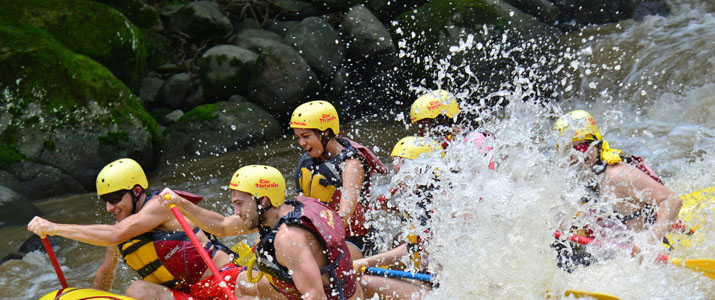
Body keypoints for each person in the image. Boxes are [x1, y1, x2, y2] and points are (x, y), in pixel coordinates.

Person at [26, 158, 242, 300]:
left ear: (137, 191)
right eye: (105, 201)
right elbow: (105, 274)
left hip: (224, 283)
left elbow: (114, 234)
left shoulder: (161, 205)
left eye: (114, 198)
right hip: (191, 296)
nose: (110, 207)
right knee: (138, 290)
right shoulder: (123, 235)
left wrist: (54, 227)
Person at [160, 165, 363, 300]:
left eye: (239, 204)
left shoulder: (288, 238)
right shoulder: (279, 212)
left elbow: (314, 295)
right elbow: (221, 226)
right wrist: (181, 203)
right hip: (330, 289)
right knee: (249, 285)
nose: (236, 212)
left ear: (263, 200)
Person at [552, 110, 682, 269]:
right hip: (606, 255)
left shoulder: (618, 175)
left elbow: (672, 200)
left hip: (640, 255)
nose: (577, 155)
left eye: (581, 146)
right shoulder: (571, 181)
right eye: (568, 150)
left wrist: (650, 242)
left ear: (596, 145)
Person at [290, 100, 387, 259]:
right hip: (320, 236)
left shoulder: (351, 163)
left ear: (326, 132)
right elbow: (299, 206)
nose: (301, 143)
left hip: (355, 240)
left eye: (306, 136)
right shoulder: (308, 162)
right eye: (298, 137)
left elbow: (344, 216)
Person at [354, 137, 441, 299]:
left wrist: (365, 262)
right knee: (397, 239)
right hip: (426, 281)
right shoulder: (423, 196)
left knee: (359, 281)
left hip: (437, 290)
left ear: (424, 168)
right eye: (396, 161)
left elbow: (411, 248)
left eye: (403, 162)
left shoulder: (435, 203)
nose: (396, 167)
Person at [410, 90, 496, 170]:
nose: (420, 132)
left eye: (423, 125)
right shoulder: (437, 148)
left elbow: (484, 177)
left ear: (442, 121)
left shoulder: (474, 140)